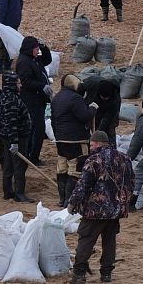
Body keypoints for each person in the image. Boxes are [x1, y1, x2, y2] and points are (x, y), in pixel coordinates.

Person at [68, 131, 133, 284]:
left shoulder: (94, 159)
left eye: (91, 144)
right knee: (109, 240)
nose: (90, 147)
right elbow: (131, 182)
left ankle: (79, 273)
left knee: (86, 239)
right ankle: (106, 273)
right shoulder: (124, 158)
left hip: (96, 209)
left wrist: (73, 203)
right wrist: (123, 203)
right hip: (116, 208)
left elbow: (83, 184)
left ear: (97, 143)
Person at [51, 74, 95, 207]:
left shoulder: (56, 98)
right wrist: (93, 108)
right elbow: (84, 116)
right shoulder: (75, 98)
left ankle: (62, 198)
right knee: (75, 168)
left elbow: (53, 120)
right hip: (76, 140)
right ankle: (69, 200)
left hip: (60, 140)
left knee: (62, 168)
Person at [15, 35, 51, 166]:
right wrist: (42, 86)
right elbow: (25, 81)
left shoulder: (35, 58)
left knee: (35, 129)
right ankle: (32, 156)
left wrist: (43, 47)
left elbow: (47, 60)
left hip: (39, 99)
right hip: (31, 100)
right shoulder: (24, 62)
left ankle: (30, 154)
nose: (38, 51)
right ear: (29, 49)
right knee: (38, 129)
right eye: (36, 49)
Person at [0, 72, 32, 203]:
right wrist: (15, 142)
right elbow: (12, 123)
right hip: (16, 137)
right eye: (18, 83)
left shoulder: (5, 96)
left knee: (9, 165)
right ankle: (19, 193)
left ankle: (8, 192)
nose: (20, 85)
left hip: (8, 137)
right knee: (19, 166)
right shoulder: (11, 100)